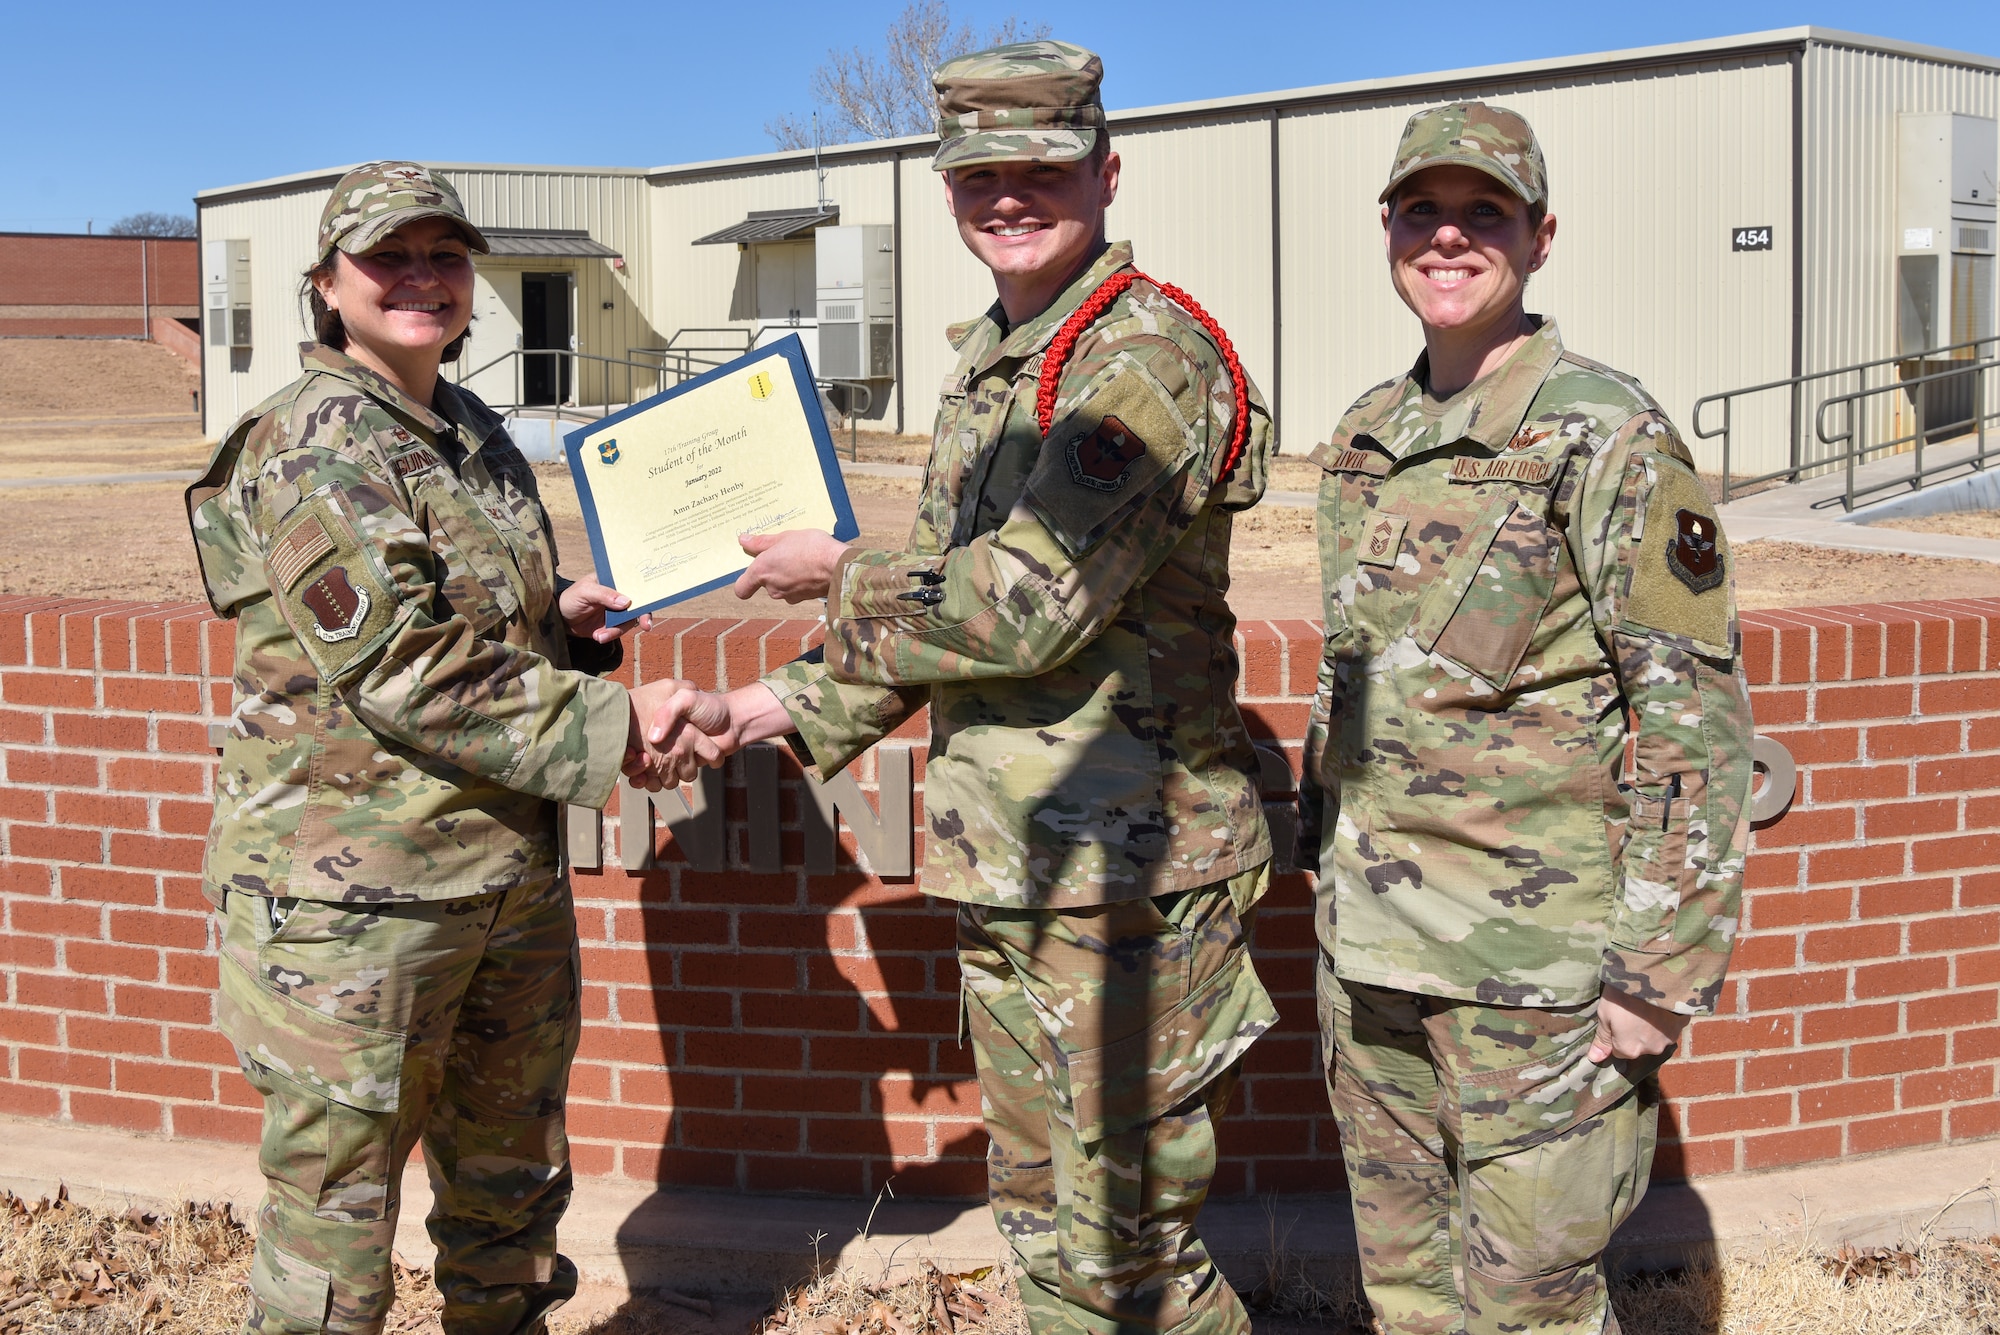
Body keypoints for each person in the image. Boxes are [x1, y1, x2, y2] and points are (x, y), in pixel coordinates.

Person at [645, 41, 1277, 1335]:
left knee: (1132, 1257)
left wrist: (838, 571)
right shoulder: (995, 362)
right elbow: (946, 617)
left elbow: (1028, 601)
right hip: (1024, 876)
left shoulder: (1140, 358)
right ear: (946, 190)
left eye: (1039, 165)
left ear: (1104, 170)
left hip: (1129, 893)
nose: (1008, 193)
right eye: (979, 171)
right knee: (1052, 1240)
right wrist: (765, 709)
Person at [183, 162, 681, 1335]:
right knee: (334, 1230)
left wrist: (556, 617)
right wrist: (617, 725)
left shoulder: (466, 429)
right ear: (326, 286)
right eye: (387, 259)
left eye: (444, 257)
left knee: (508, 1194)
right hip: (355, 906)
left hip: (499, 879)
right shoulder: (314, 442)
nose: (422, 279)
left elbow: (459, 613)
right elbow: (401, 666)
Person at [1297, 103, 1756, 1334]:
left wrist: (1657, 972)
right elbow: (1356, 681)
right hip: (1372, 962)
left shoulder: (1607, 434)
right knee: (1407, 1299)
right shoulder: (1362, 437)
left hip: (1533, 981)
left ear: (1540, 238)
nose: (1447, 238)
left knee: (1526, 1310)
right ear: (1386, 230)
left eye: (1482, 214)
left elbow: (1691, 717)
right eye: (1421, 212)